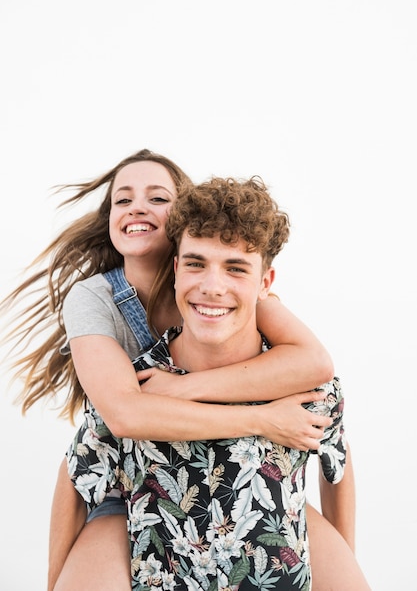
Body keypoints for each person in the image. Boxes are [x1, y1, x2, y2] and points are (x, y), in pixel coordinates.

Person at [0, 149, 365, 590]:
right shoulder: (101, 311)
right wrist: (261, 420)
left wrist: (191, 387)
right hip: (136, 495)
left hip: (260, 499)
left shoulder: (244, 296)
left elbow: (318, 375)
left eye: (158, 198)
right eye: (123, 199)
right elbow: (114, 424)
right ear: (178, 267)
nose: (213, 286)